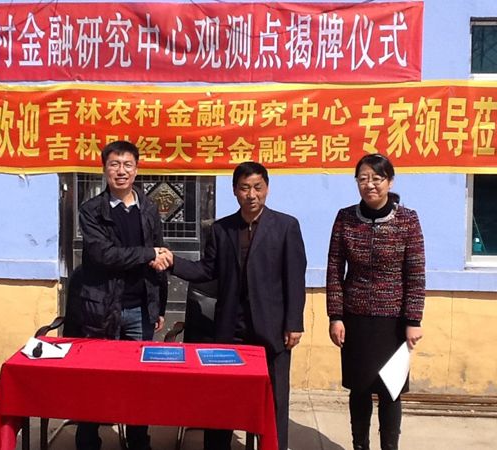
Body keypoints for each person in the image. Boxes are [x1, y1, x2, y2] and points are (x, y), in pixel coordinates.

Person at [155, 161, 307, 450]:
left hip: (272, 327)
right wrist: (174, 262)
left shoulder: (286, 226)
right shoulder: (221, 229)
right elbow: (206, 270)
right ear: (235, 191)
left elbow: (295, 278)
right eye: (245, 188)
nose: (252, 195)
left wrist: (294, 324)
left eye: (258, 187)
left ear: (267, 188)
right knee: (222, 397)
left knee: (274, 398)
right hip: (230, 328)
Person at [326, 154, 425, 450]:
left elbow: (416, 272)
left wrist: (413, 320)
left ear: (389, 182)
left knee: (390, 390)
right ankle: (360, 445)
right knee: (359, 388)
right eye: (363, 178)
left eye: (377, 179)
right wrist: (335, 316)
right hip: (355, 317)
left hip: (393, 321)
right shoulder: (345, 218)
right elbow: (334, 269)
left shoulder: (407, 220)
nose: (370, 185)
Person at [76, 140, 169, 450]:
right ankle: (88, 439)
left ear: (137, 170)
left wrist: (159, 306)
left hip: (140, 309)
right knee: (96, 378)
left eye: (127, 165)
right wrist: (148, 253)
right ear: (104, 169)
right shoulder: (91, 210)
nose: (121, 171)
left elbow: (159, 259)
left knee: (139, 380)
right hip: (102, 310)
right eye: (114, 164)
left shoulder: (149, 208)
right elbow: (104, 255)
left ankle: (138, 440)